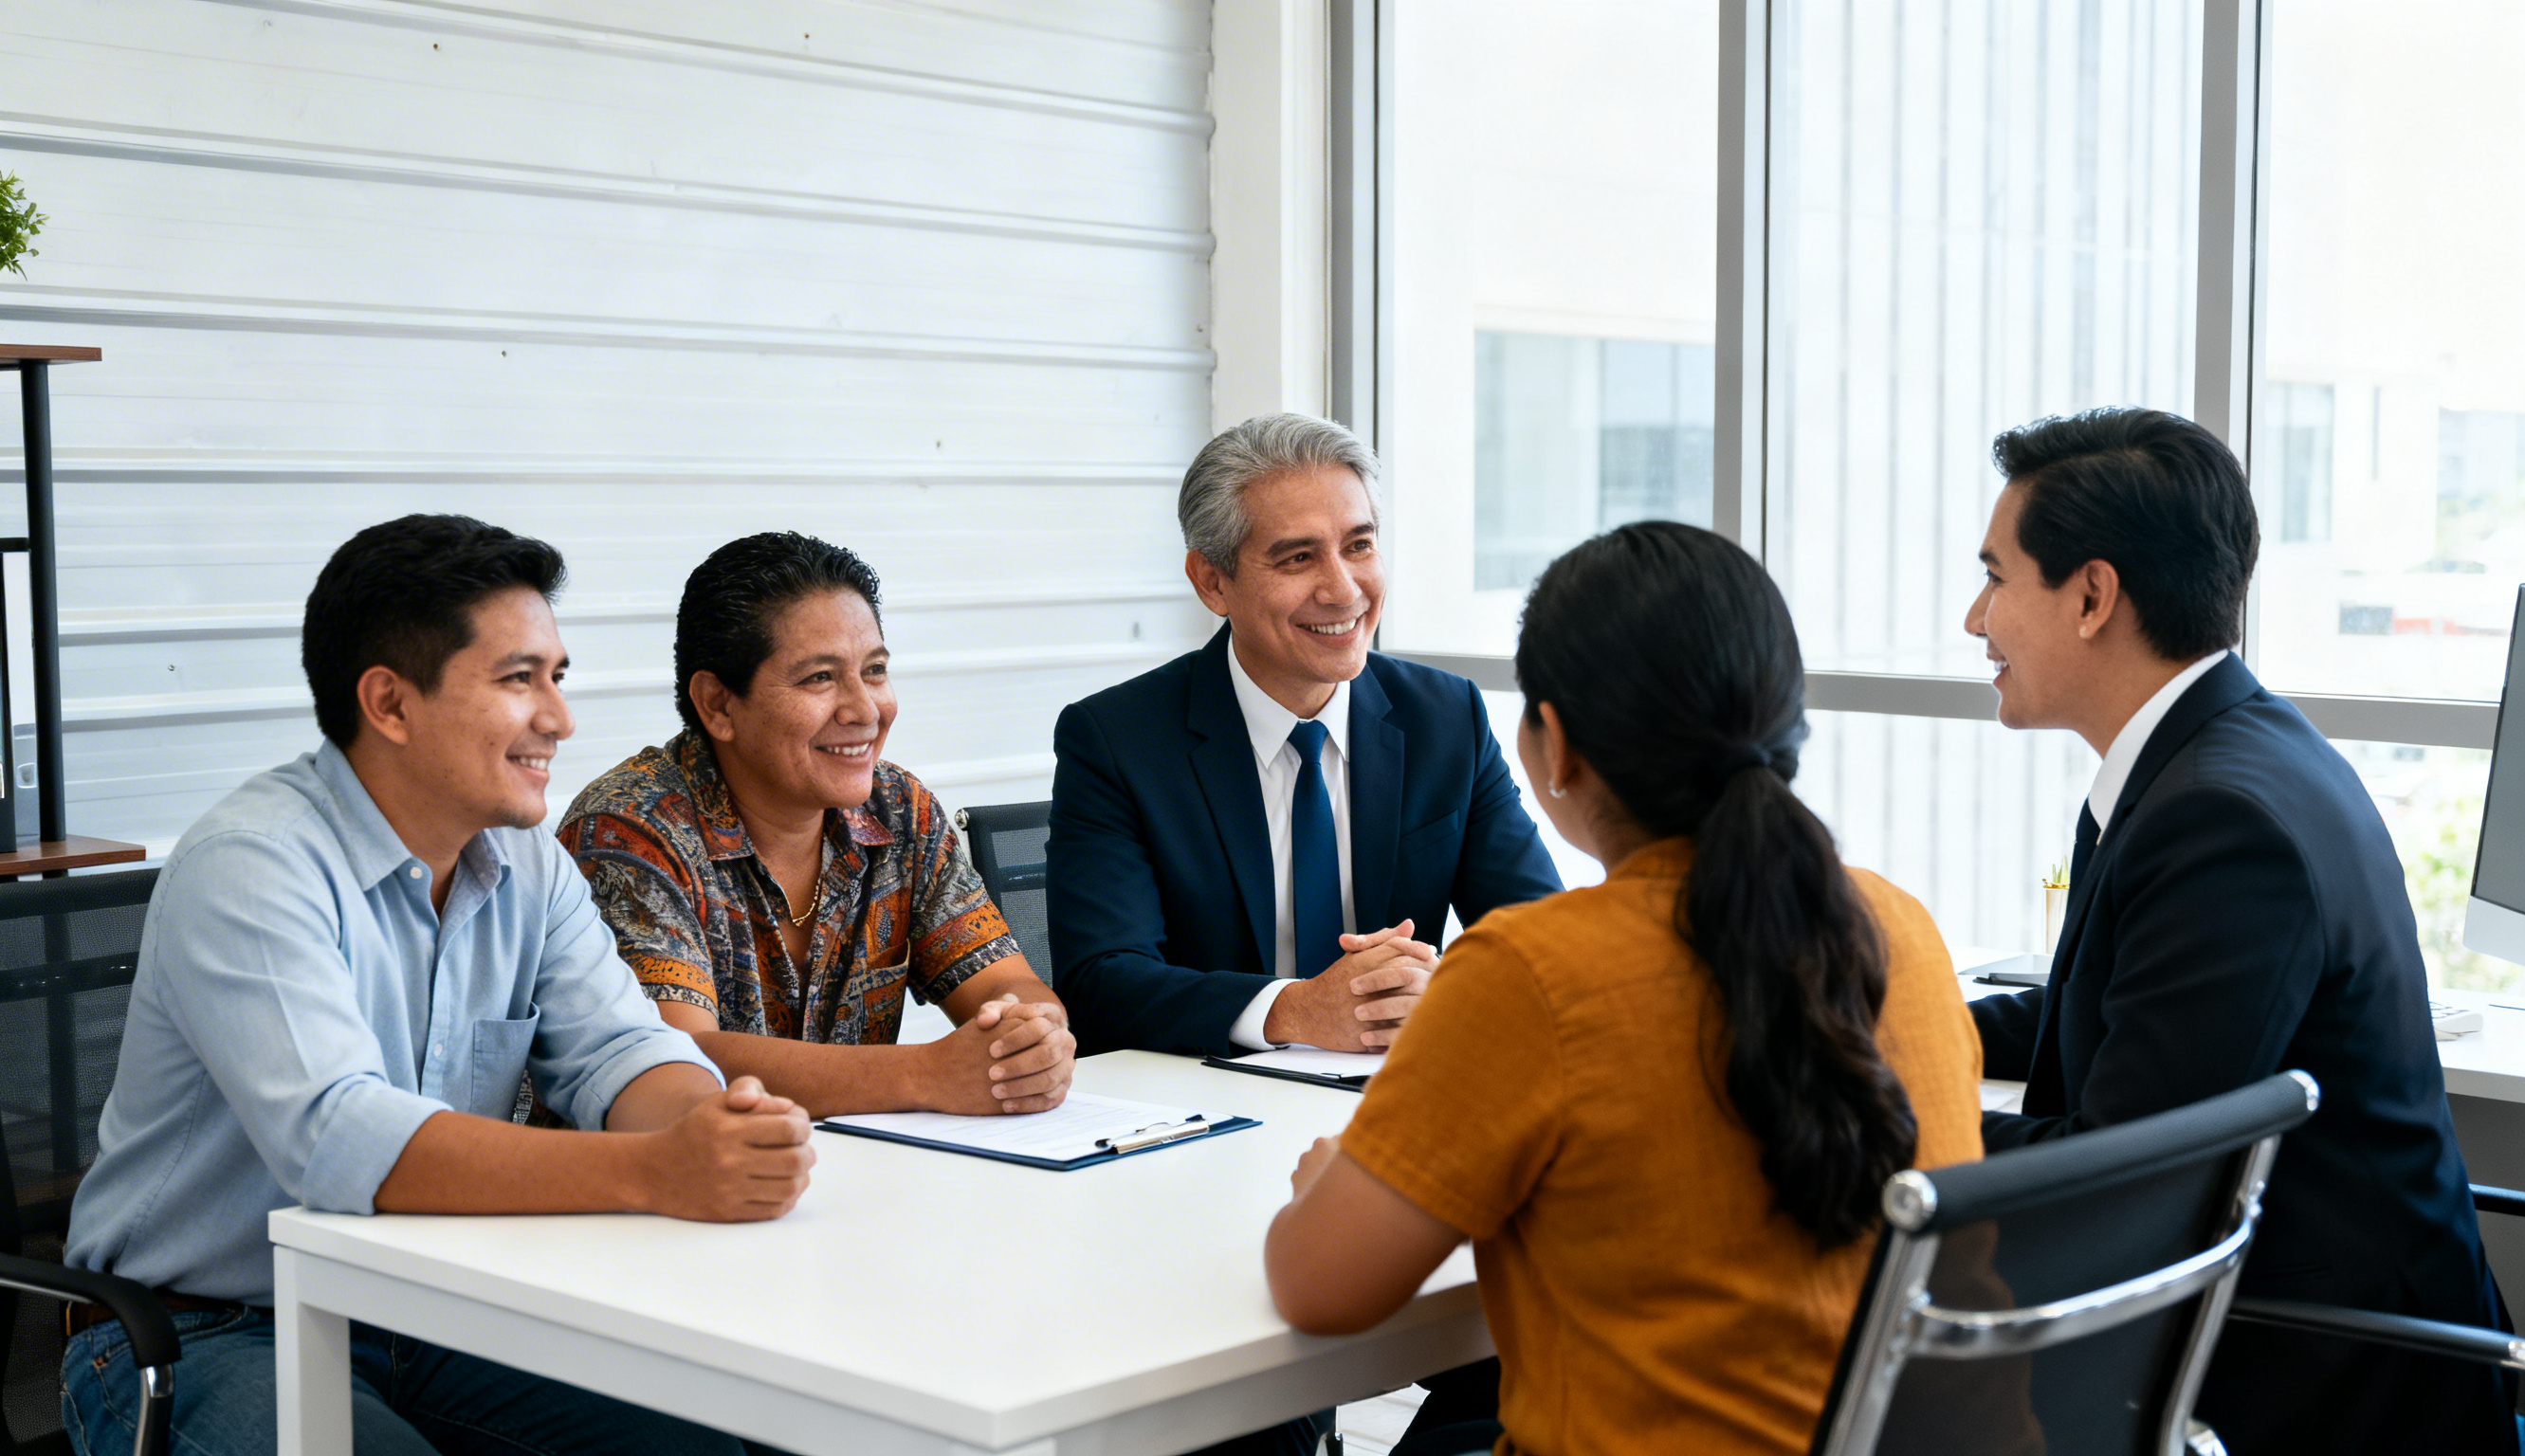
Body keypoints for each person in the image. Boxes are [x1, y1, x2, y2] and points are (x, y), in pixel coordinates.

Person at [59, 515, 812, 1456]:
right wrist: (657, 1173)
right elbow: (340, 1140)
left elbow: (623, 1052)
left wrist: (714, 1126)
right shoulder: (252, 865)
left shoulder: (523, 860)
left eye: (557, 677)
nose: (559, 718)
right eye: (517, 680)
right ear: (390, 704)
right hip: (201, 1332)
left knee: (705, 1441)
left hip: (432, 1305)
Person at [1263, 520, 1984, 1456]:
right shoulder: (1902, 929)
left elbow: (1317, 1290)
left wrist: (1327, 1187)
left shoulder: (1533, 969)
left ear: (1553, 743)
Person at [1962, 408, 2514, 1454]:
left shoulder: (2222, 818)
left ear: (2092, 597)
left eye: (1995, 578)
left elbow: (2124, 1177)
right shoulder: (2223, 751)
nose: (1973, 620)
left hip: (2321, 1386)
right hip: (2271, 1326)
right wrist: (1920, 1026)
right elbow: (2120, 1007)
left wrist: (1877, 1124)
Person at [1050, 414, 1560, 1451]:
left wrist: (1435, 988)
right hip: (1196, 1167)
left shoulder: (1444, 718)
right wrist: (1293, 1010)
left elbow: (1548, 944)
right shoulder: (1117, 737)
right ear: (1212, 582)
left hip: (1398, 1142)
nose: (1344, 587)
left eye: (1360, 544)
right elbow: (1103, 980)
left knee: (1539, 1338)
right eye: (1297, 557)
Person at [559, 532, 1073, 1118]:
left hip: (849, 1179)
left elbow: (1006, 986)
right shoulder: (629, 831)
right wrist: (928, 1073)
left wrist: (1034, 1037)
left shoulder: (899, 809)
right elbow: (673, 1060)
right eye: (819, 679)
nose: (865, 710)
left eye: (875, 670)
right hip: (651, 1195)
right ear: (718, 706)